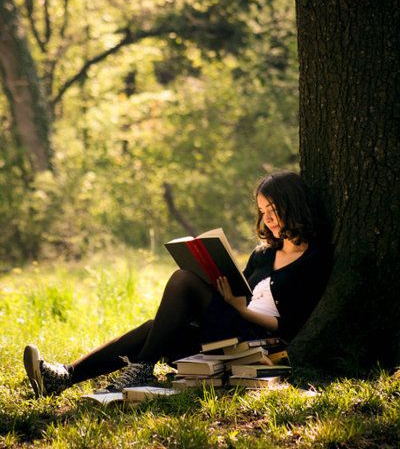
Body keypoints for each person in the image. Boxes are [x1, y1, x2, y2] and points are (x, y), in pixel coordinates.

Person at [23, 170, 331, 398]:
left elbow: (284, 326)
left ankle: (140, 367)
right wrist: (225, 296)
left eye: (273, 210)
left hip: (255, 343)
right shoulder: (264, 253)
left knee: (184, 279)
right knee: (152, 328)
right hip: (227, 328)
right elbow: (244, 293)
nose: (267, 220)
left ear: (293, 205)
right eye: (263, 212)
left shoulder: (312, 259)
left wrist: (239, 309)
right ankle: (65, 376)